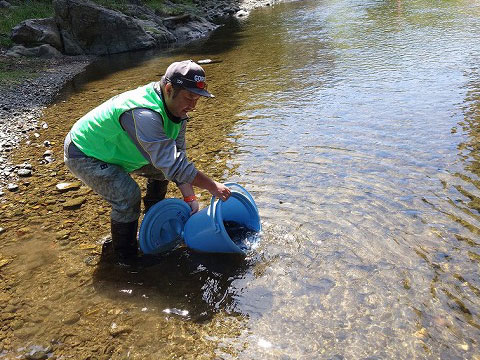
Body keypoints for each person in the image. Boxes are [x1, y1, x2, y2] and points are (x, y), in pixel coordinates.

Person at [63, 60, 231, 262]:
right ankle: (125, 258)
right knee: (127, 197)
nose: (193, 106)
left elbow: (177, 156)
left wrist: (190, 199)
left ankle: (153, 215)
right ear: (169, 89)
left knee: (163, 170)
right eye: (189, 98)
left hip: (119, 150)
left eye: (197, 99)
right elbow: (174, 164)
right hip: (85, 152)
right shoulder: (144, 113)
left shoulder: (178, 110)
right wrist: (212, 186)